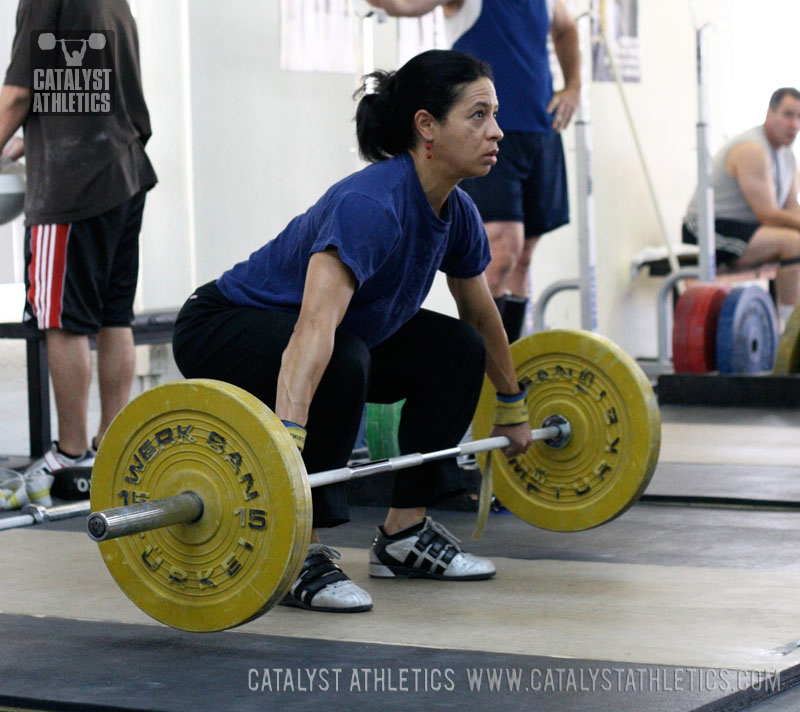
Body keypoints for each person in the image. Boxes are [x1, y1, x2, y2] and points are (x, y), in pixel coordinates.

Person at [172, 49, 533, 613]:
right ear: (426, 126)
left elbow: (482, 318)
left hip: (338, 338)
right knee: (343, 358)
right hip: (221, 325)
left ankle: (403, 535)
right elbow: (314, 329)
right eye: (479, 115)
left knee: (457, 349)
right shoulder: (371, 204)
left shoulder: (455, 212)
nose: (498, 132)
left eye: (494, 115)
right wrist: (287, 440)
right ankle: (300, 552)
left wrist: (512, 403)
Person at [0, 0, 157, 506]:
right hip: (123, 170)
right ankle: (111, 452)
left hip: (73, 185)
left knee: (62, 320)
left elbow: (17, 95)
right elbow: (87, 81)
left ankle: (70, 457)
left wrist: (24, 128)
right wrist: (31, 139)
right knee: (114, 316)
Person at [366, 0, 581, 343]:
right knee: (502, 251)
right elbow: (405, 6)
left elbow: (566, 29)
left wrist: (573, 87)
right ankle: (485, 376)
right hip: (487, 136)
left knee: (522, 258)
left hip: (541, 130)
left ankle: (509, 365)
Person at [682, 88, 800, 330]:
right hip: (706, 229)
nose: (794, 124)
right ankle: (790, 332)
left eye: (799, 117)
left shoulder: (788, 156)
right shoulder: (752, 150)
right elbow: (767, 214)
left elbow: (790, 209)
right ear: (770, 113)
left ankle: (789, 328)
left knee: (795, 242)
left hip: (746, 228)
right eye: (788, 115)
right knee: (793, 243)